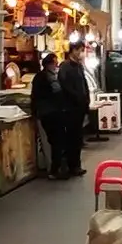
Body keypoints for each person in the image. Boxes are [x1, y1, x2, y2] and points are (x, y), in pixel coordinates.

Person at [31, 53, 68, 180]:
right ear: (48, 64)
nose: (56, 65)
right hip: (51, 113)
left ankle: (56, 168)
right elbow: (53, 95)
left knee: (55, 141)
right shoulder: (47, 78)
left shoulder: (44, 77)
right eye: (54, 63)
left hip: (49, 113)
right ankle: (55, 170)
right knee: (57, 141)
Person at [57, 41, 91, 177]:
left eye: (82, 50)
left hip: (80, 107)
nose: (80, 53)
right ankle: (71, 166)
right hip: (70, 108)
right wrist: (77, 97)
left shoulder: (79, 66)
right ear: (72, 50)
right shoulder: (65, 67)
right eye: (79, 50)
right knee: (71, 138)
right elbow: (65, 86)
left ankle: (77, 165)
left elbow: (84, 83)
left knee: (78, 137)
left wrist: (86, 99)